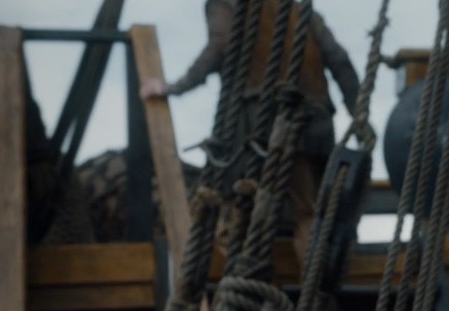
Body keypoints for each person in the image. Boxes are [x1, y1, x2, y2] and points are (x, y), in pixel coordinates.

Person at [140, 0, 360, 265]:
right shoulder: (300, 10)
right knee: (309, 212)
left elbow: (220, 47)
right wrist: (358, 113)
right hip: (315, 123)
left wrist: (174, 87)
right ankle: (319, 286)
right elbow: (339, 59)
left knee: (243, 209)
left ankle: (255, 286)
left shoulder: (227, 5)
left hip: (261, 122)